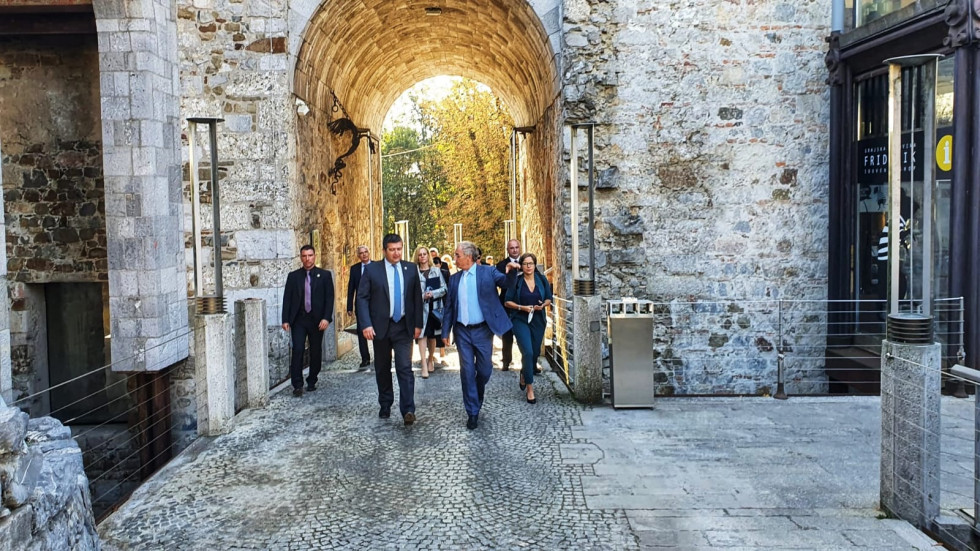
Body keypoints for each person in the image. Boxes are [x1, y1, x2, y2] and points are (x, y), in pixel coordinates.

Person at [443, 241, 518, 430]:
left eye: (457, 255)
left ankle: (476, 393)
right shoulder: (454, 279)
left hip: (483, 331)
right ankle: (472, 412)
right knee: (467, 371)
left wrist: (511, 271)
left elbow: (507, 283)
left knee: (484, 371)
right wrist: (445, 332)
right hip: (462, 332)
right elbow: (449, 307)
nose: (455, 259)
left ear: (469, 256)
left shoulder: (488, 272)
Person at [356, 234, 424, 425]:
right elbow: (362, 298)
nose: (396, 253)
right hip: (380, 328)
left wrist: (418, 324)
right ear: (385, 250)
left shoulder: (411, 269)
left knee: (405, 367)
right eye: (392, 249)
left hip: (403, 327)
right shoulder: (372, 270)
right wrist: (366, 324)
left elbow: (416, 299)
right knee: (383, 368)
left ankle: (408, 409)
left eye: (399, 249)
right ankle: (385, 404)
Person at [281, 245, 334, 396]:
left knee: (315, 351)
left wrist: (326, 318)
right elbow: (287, 299)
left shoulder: (324, 275)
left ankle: (312, 380)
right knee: (297, 349)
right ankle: (297, 384)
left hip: (317, 320)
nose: (307, 259)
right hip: (299, 319)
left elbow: (329, 298)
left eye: (310, 255)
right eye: (304, 256)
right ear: (300, 257)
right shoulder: (293, 276)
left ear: (314, 256)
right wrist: (285, 319)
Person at [503, 252, 552, 404]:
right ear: (521, 266)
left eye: (531, 263)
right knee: (528, 351)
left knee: (535, 352)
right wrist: (521, 307)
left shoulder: (541, 279)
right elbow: (507, 302)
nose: (528, 266)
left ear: (534, 265)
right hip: (520, 319)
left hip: (538, 319)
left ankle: (524, 373)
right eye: (525, 264)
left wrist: (542, 305)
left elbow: (549, 298)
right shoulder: (517, 281)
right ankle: (530, 389)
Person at [414, 247, 447, 378]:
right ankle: (423, 365)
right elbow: (411, 292)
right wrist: (422, 296)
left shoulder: (436, 271)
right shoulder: (414, 273)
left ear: (428, 256)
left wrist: (432, 293)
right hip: (421, 308)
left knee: (432, 336)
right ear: (417, 257)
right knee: (422, 335)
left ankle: (430, 358)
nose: (422, 257)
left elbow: (444, 288)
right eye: (420, 255)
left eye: (424, 254)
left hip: (435, 306)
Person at [495, 239, 522, 371]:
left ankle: (530, 363)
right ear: (508, 250)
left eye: (517, 247)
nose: (515, 250)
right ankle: (506, 361)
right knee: (507, 335)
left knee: (524, 334)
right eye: (512, 248)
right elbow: (500, 283)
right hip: (506, 304)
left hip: (523, 303)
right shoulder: (501, 265)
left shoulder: (526, 262)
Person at [346, 245, 372, 369]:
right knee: (362, 331)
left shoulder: (377, 266)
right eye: (361, 253)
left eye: (366, 252)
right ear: (358, 255)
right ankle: (365, 358)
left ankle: (380, 357)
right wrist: (349, 306)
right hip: (361, 305)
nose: (364, 254)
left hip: (376, 305)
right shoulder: (355, 269)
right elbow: (351, 288)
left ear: (369, 252)